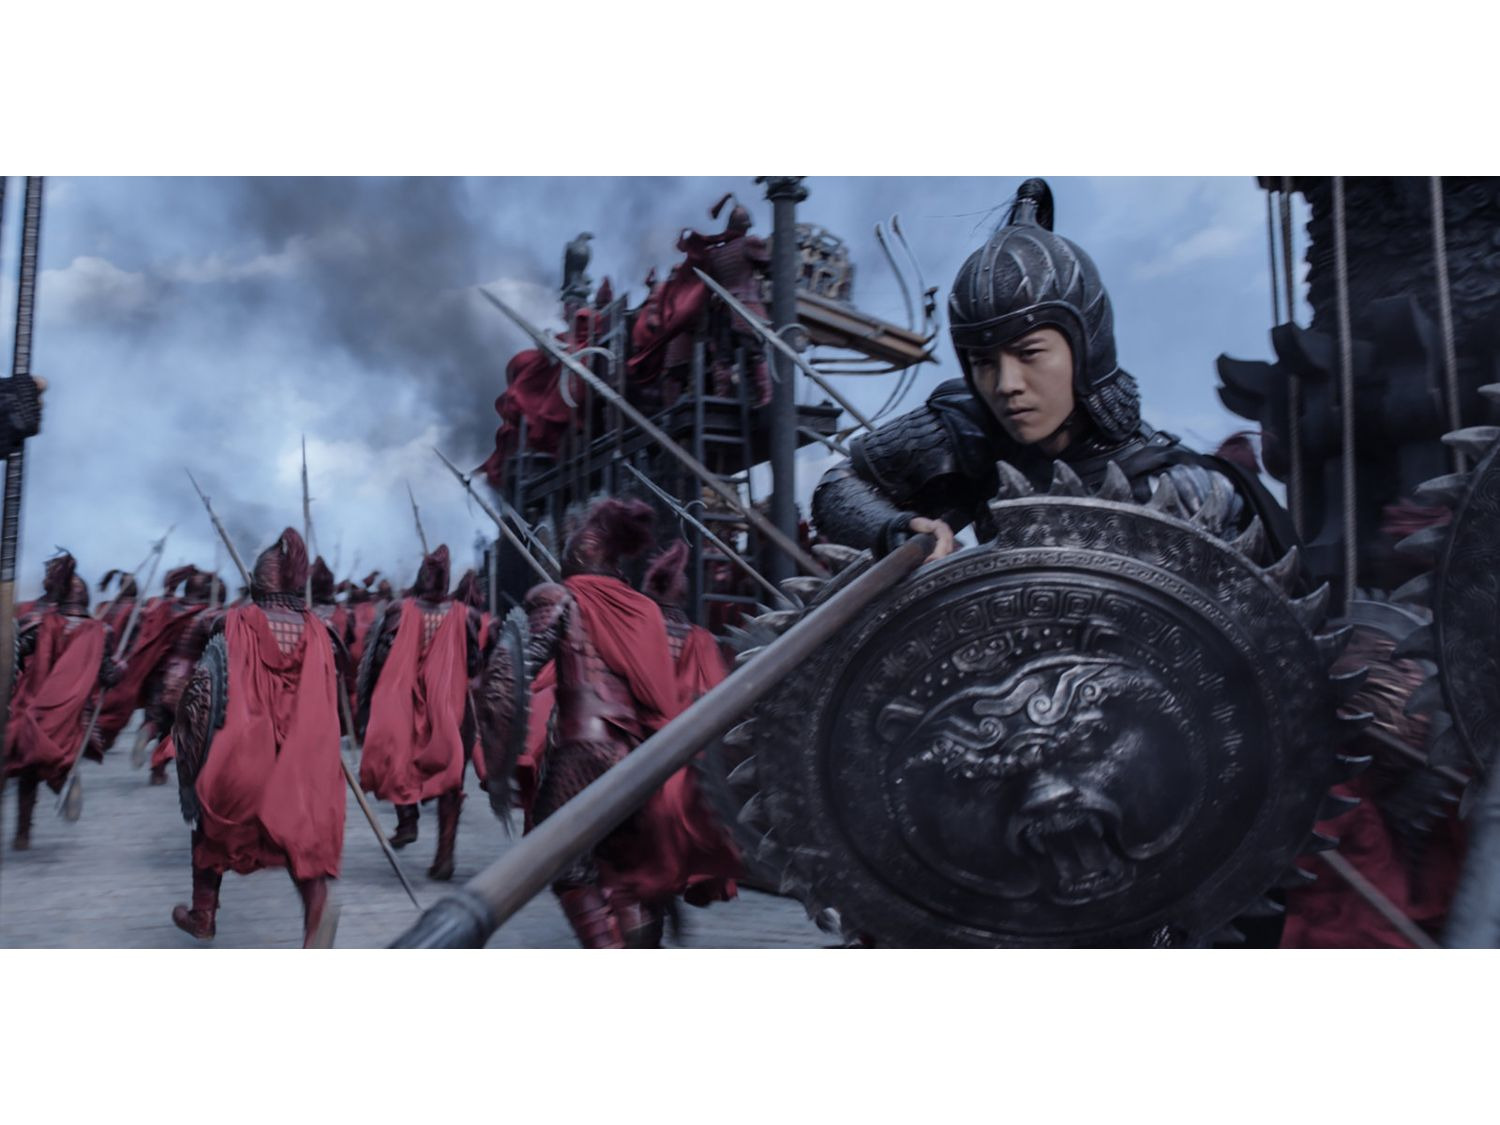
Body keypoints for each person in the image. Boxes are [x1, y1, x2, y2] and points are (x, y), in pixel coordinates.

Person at [812, 178, 1294, 564]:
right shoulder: (967, 427)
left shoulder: (1188, 490)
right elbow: (839, 487)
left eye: (1030, 353)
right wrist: (895, 529)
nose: (1006, 385)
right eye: (984, 362)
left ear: (1086, 349)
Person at [479, 498, 688, 948]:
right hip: (639, 757)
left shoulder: (560, 599)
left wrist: (500, 759)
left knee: (564, 862)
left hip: (581, 753)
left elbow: (509, 674)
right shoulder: (643, 610)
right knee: (626, 861)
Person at [170, 529, 345, 947]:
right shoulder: (321, 632)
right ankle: (315, 918)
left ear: (258, 580)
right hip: (303, 763)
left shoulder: (225, 622)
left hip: (244, 756)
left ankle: (203, 914)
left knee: (209, 822)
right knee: (303, 844)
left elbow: (194, 687)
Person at [355, 545, 483, 881]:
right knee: (450, 777)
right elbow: (474, 663)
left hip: (406, 700)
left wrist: (371, 704)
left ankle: (408, 820)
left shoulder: (400, 610)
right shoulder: (465, 615)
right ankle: (444, 855)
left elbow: (379, 657)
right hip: (451, 705)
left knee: (398, 759)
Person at [5, 554, 122, 850]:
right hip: (75, 713)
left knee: (29, 767)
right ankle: (65, 786)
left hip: (36, 707)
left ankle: (23, 833)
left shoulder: (38, 624)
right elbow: (108, 676)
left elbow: (14, 659)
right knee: (59, 760)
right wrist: (121, 667)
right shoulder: (101, 631)